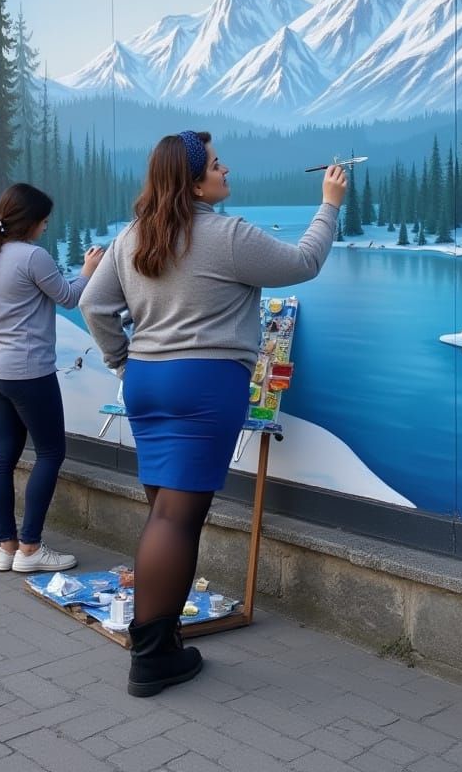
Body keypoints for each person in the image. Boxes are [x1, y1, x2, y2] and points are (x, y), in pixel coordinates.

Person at [80, 130, 346, 697]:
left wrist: (123, 361)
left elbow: (93, 305)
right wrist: (329, 203)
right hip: (205, 385)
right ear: (193, 180)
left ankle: (165, 640)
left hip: (147, 382)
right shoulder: (227, 236)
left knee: (163, 511)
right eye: (218, 166)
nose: (227, 173)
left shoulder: (132, 236)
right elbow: (303, 262)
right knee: (179, 519)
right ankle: (150, 659)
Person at [0, 183, 104, 573]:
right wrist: (89, 270)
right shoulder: (32, 256)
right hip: (26, 370)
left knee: (3, 455)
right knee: (49, 452)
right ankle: (30, 548)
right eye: (44, 220)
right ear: (31, 222)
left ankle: (6, 546)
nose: (46, 227)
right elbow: (69, 296)